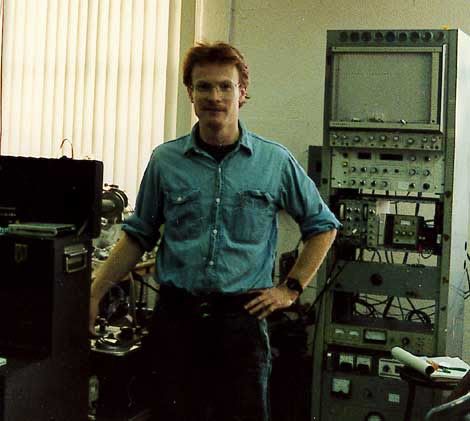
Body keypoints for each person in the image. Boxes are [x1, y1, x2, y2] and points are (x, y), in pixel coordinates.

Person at [89, 41, 340, 421]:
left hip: (241, 323)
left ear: (242, 93)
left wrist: (291, 288)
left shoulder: (274, 162)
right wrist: (95, 291)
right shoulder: (165, 161)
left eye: (225, 86)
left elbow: (323, 227)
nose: (214, 96)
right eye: (203, 86)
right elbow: (138, 235)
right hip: (176, 320)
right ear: (190, 92)